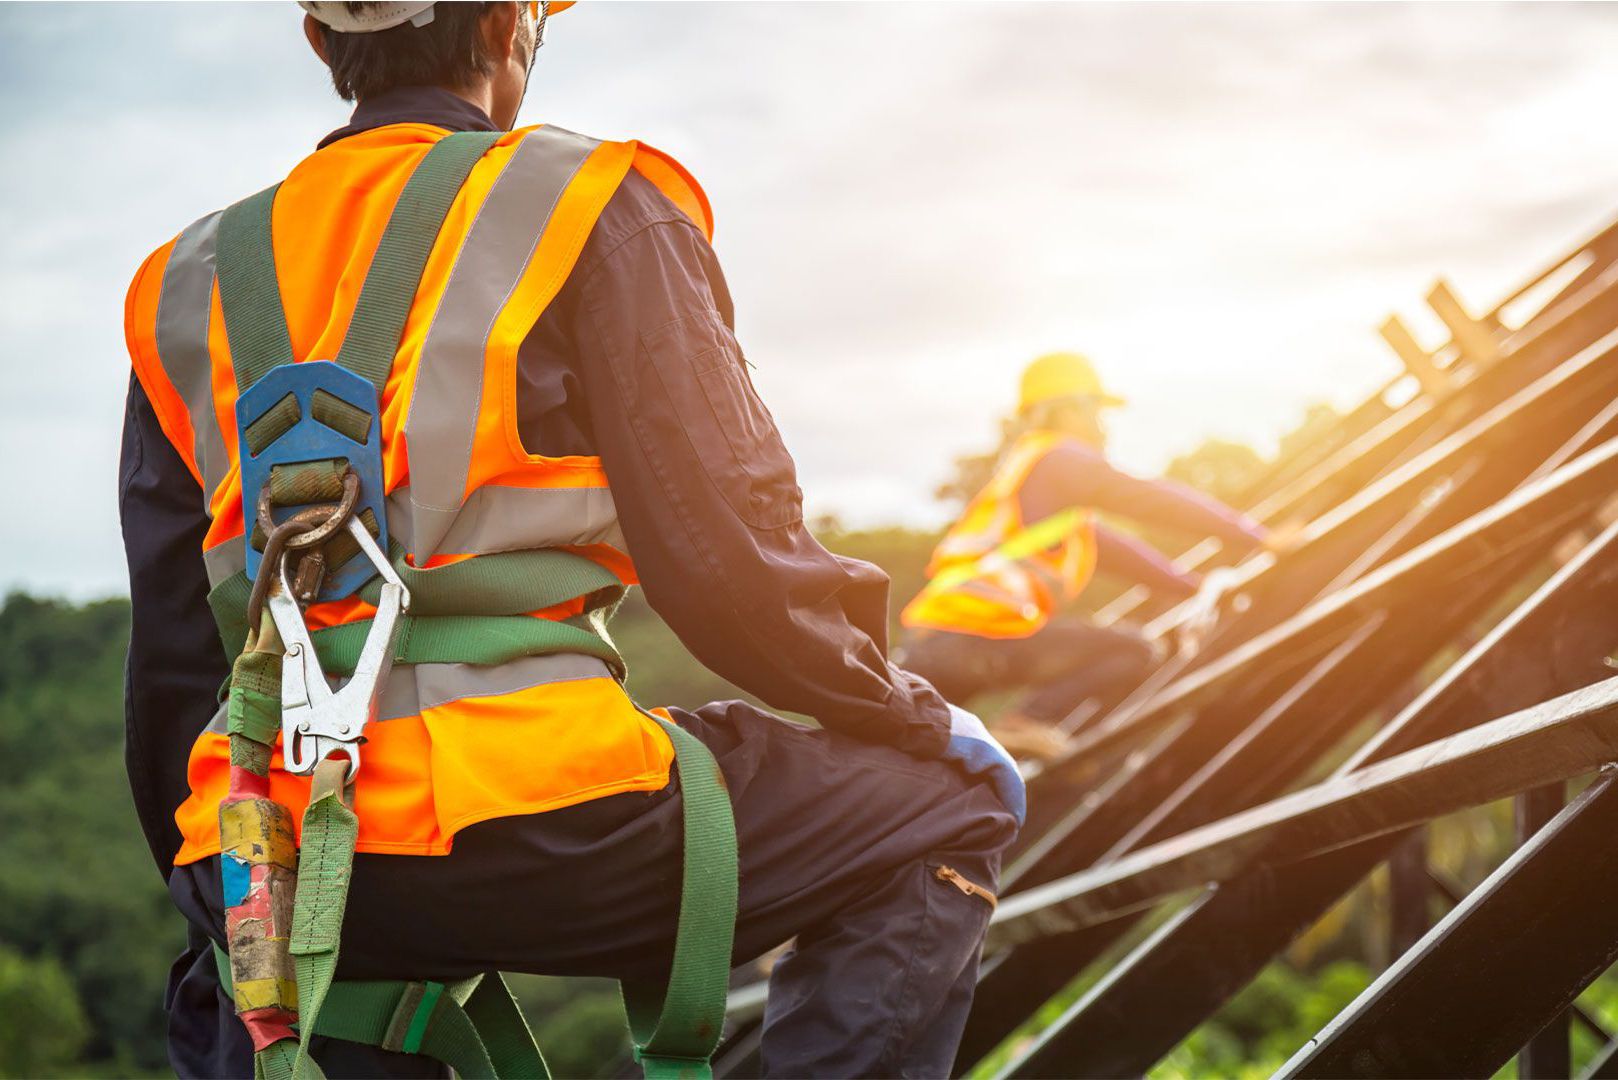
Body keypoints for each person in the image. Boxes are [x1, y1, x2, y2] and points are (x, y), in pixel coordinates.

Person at [118, 4, 1019, 1076]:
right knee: (951, 804)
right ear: (508, 26)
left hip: (269, 848)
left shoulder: (184, 283)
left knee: (260, 992)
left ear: (322, 44)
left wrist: (219, 885)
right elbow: (730, 560)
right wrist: (904, 711)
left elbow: (176, 659)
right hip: (541, 819)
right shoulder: (587, 205)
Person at [898, 352, 1271, 752]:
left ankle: (1027, 735)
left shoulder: (1038, 489)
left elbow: (1127, 555)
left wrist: (1195, 589)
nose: (1102, 424)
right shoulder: (1060, 458)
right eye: (1096, 410)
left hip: (932, 645)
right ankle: (1028, 721)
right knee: (1134, 651)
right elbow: (1150, 498)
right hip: (982, 637)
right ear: (1070, 409)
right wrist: (1256, 537)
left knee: (918, 757)